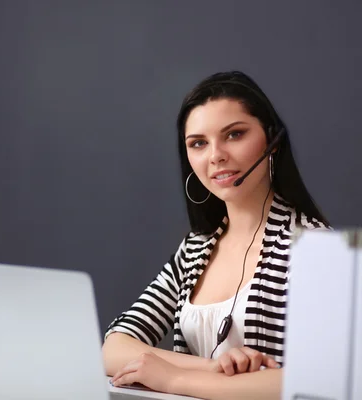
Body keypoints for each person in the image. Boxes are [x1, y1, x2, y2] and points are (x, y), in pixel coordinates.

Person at [102, 70, 330, 400]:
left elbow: (320, 379)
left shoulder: (315, 249)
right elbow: (114, 347)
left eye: (234, 134)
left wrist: (174, 380)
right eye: (198, 143)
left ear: (273, 141)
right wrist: (213, 367)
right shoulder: (196, 248)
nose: (215, 155)